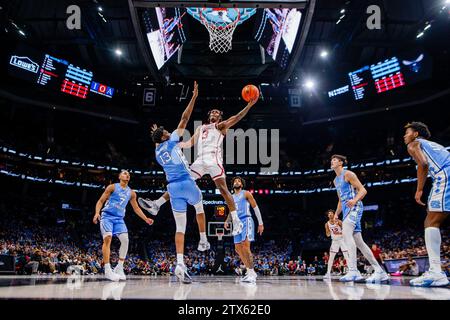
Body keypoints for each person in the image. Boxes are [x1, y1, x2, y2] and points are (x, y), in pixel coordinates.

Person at [140, 97, 258, 236]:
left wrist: (249, 105)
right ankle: (156, 205)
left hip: (214, 160)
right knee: (181, 181)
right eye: (212, 112)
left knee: (223, 190)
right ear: (209, 116)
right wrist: (179, 145)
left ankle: (237, 221)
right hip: (200, 161)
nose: (214, 113)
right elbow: (190, 143)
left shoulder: (221, 126)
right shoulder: (200, 128)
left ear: (220, 116)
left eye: (217, 112)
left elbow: (237, 117)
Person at [150, 81, 210, 284]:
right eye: (165, 131)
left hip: (173, 188)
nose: (169, 131)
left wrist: (157, 134)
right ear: (165, 136)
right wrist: (193, 97)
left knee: (180, 228)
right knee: (200, 207)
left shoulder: (158, 152)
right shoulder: (172, 140)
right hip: (187, 183)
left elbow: (157, 140)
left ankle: (179, 263)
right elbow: (185, 118)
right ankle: (203, 239)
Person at [403, 122, 449, 287]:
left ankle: (436, 272)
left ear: (415, 134)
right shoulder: (433, 144)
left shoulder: (414, 144)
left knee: (431, 221)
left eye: (407, 133)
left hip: (445, 175)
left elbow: (423, 164)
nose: (404, 136)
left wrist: (419, 189)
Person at [331, 154, 389, 283]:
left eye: (334, 160)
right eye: (331, 160)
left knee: (346, 234)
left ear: (341, 163)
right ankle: (379, 271)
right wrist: (336, 214)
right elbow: (340, 200)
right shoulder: (335, 180)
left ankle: (353, 271)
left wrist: (354, 200)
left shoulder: (349, 174)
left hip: (355, 206)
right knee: (359, 242)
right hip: (346, 210)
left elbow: (363, 190)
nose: (332, 162)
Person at [93, 170, 154, 281]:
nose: (127, 175)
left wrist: (146, 219)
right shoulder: (112, 187)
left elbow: (136, 208)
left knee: (125, 241)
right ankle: (107, 270)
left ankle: (119, 267)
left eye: (128, 174)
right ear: (119, 176)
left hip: (119, 219)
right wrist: (97, 213)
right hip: (107, 216)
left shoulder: (131, 193)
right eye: (124, 173)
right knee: (108, 239)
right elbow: (100, 201)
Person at [229, 176, 264, 283]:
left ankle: (252, 272)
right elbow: (231, 211)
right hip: (236, 223)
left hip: (246, 220)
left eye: (239, 181)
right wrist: (227, 220)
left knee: (245, 246)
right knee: (238, 248)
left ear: (242, 184)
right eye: (235, 181)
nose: (237, 182)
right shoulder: (231, 197)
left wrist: (260, 223)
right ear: (233, 185)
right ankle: (250, 272)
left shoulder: (246, 193)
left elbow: (255, 207)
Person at [323, 209, 350, 280]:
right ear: (328, 216)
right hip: (334, 241)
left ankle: (351, 271)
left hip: (342, 240)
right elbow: (328, 235)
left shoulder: (339, 221)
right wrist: (328, 230)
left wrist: (340, 227)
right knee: (331, 257)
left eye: (331, 213)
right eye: (329, 214)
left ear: (334, 214)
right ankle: (328, 273)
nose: (330, 214)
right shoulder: (327, 224)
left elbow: (346, 230)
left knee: (346, 256)